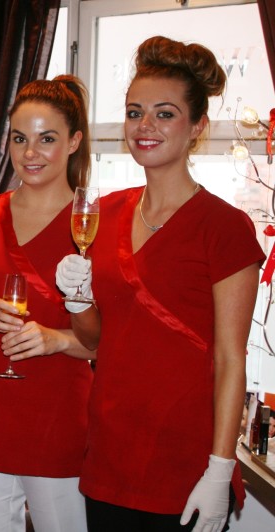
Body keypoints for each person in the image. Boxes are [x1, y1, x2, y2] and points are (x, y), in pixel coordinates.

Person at [56, 36, 264, 531]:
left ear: (197, 127)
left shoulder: (225, 227)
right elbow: (96, 339)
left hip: (184, 458)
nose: (144, 126)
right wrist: (78, 300)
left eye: (164, 114)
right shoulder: (103, 213)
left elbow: (231, 359)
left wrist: (220, 467)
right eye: (135, 112)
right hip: (109, 451)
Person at [0, 75, 97, 532]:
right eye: (20, 138)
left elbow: (109, 341)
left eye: (47, 139)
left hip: (59, 416)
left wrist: (55, 339)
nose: (30, 153)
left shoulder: (94, 227)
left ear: (74, 142)